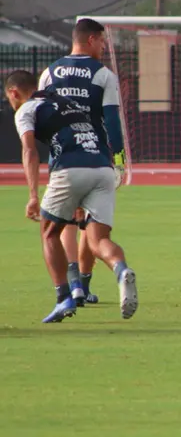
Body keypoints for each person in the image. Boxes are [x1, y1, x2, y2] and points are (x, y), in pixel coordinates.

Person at [6, 70, 137, 323]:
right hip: (103, 168)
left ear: (14, 93)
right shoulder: (67, 103)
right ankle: (121, 270)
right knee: (99, 239)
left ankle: (63, 298)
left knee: (49, 232)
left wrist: (33, 195)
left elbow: (30, 151)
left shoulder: (26, 110)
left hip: (70, 169)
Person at [38, 18, 126, 307]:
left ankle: (74, 286)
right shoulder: (103, 75)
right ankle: (86, 284)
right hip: (96, 157)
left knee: (63, 225)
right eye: (102, 41)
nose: (104, 47)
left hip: (62, 159)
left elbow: (43, 118)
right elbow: (112, 121)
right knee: (93, 226)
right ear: (90, 39)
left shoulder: (49, 73)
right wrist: (119, 158)